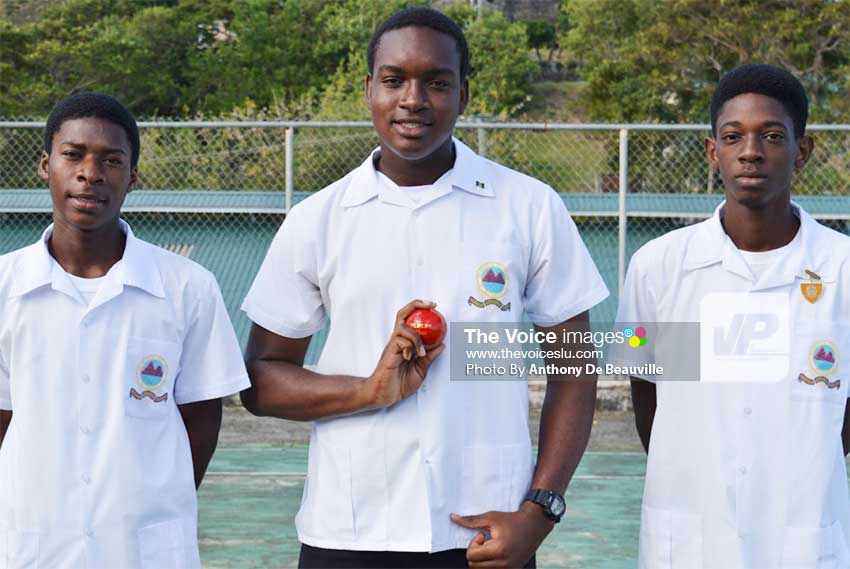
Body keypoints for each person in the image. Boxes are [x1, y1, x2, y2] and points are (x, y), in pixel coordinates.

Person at [240, 7, 609, 569]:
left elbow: (575, 366)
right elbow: (261, 382)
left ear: (463, 94)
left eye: (436, 82)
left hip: (485, 534)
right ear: (369, 90)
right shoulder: (318, 219)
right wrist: (368, 389)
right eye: (394, 80)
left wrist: (539, 511)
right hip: (350, 530)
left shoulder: (529, 207)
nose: (413, 99)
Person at [0, 92, 250, 568]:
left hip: (146, 550)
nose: (90, 173)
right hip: (34, 545)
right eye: (73, 155)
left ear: (132, 176)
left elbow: (202, 418)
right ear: (45, 165)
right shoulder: (4, 288)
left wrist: (152, 503)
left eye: (111, 161)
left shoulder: (186, 287)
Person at [615, 64, 850, 568]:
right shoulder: (656, 266)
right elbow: (646, 395)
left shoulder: (843, 268)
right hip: (690, 538)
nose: (751, 151)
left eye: (771, 135)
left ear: (801, 151)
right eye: (733, 136)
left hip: (802, 540)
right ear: (712, 150)